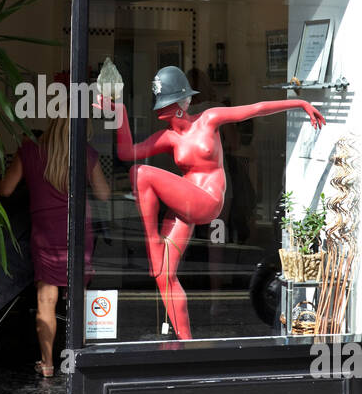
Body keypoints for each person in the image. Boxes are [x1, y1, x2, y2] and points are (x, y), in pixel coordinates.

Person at [105, 66, 325, 341]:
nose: (160, 112)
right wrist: (120, 114)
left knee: (142, 174)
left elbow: (255, 109)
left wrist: (300, 103)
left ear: (180, 106)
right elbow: (127, 152)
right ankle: (186, 342)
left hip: (208, 201)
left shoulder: (208, 119)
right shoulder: (169, 137)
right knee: (165, 276)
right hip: (185, 205)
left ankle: (152, 241)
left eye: (166, 105)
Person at [0, 113, 110, 378]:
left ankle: (47, 364)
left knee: (45, 299)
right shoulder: (86, 153)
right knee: (78, 300)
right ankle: (78, 362)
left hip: (45, 233)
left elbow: (4, 190)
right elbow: (104, 194)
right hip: (78, 231)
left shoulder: (29, 150)